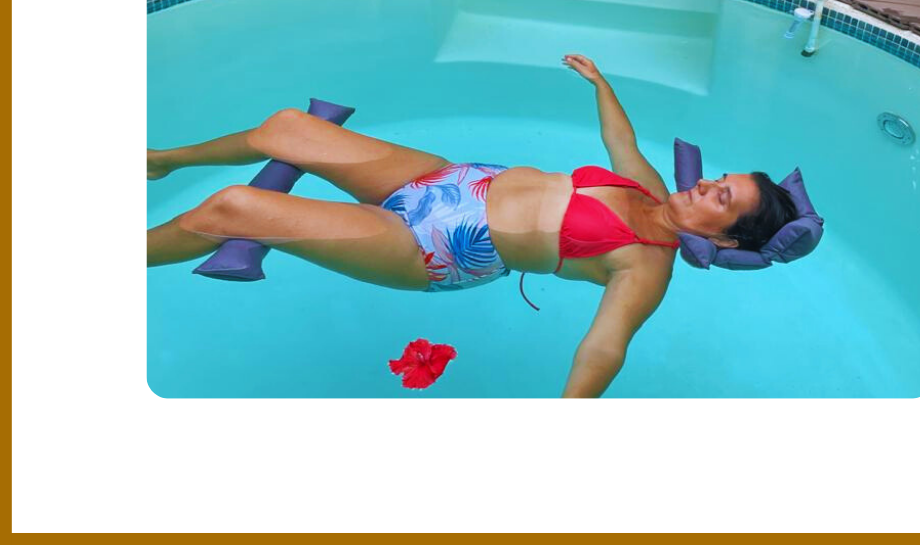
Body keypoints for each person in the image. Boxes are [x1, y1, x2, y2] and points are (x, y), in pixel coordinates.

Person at [147, 54, 796, 398]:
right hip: (446, 180)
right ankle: (163, 161)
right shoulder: (649, 188)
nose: (705, 184)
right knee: (288, 128)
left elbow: (605, 347)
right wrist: (599, 82)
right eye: (719, 178)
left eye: (721, 197)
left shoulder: (645, 265)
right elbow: (620, 142)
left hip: (432, 249)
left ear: (723, 239)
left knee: (235, 208)